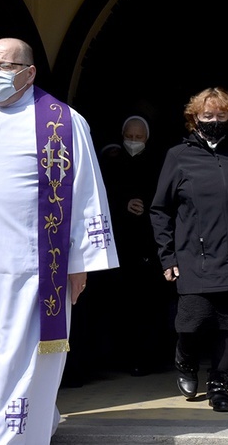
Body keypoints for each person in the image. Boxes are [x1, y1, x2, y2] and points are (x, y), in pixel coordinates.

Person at [0, 37, 119, 444]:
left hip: (33, 269)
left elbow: (85, 191)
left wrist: (80, 263)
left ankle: (19, 434)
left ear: (30, 71)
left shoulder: (61, 120)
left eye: (5, 65)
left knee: (22, 356)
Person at [150, 87, 228, 412]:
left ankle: (220, 384)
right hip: (193, 257)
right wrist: (168, 256)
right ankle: (185, 358)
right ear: (194, 119)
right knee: (192, 321)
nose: (214, 121)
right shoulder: (178, 156)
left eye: (221, 116)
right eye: (208, 116)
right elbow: (160, 210)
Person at [99, 115, 172, 376]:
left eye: (138, 138)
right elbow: (102, 196)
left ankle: (149, 357)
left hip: (149, 247)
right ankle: (121, 357)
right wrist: (123, 206)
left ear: (147, 139)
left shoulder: (157, 165)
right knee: (121, 306)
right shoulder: (111, 165)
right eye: (129, 137)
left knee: (150, 307)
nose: (133, 142)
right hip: (121, 246)